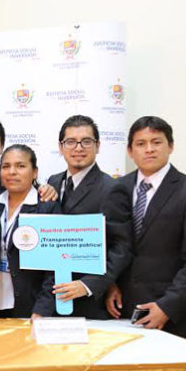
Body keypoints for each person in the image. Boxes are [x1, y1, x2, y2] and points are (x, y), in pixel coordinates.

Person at [106, 116, 186, 339]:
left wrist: (167, 306)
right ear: (130, 151)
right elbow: (111, 243)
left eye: (156, 142)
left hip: (172, 315)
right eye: (141, 143)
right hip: (121, 311)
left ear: (170, 146)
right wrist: (109, 285)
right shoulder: (117, 188)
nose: (149, 149)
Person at [46, 115, 133, 318]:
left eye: (86, 141)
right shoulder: (52, 181)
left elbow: (122, 247)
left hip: (89, 300)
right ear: (60, 147)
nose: (78, 148)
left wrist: (89, 284)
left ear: (98, 146)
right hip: (50, 293)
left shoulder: (111, 188)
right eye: (70, 142)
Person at [0, 144, 60, 318]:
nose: (12, 172)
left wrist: (42, 309)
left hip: (28, 305)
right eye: (6, 166)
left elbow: (56, 267)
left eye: (20, 166)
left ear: (34, 172)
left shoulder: (47, 207)